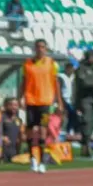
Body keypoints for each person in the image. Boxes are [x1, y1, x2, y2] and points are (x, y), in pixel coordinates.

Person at [19, 39, 63, 173]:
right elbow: (24, 82)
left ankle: (43, 161)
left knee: (43, 129)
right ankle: (33, 159)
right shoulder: (27, 64)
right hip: (31, 101)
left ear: (46, 48)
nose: (40, 49)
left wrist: (59, 102)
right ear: (34, 48)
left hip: (45, 101)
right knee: (31, 130)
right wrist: (20, 97)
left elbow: (56, 83)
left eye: (43, 47)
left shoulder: (52, 64)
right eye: (38, 47)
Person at [73, 49, 93, 158]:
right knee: (86, 123)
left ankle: (87, 144)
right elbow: (85, 82)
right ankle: (85, 146)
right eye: (91, 56)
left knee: (92, 123)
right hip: (83, 99)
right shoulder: (81, 69)